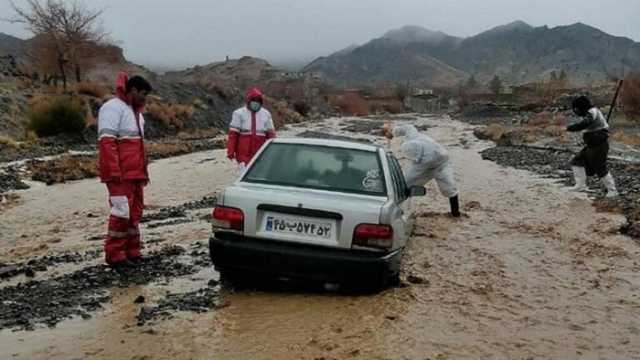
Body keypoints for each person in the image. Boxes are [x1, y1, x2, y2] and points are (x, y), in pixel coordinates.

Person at [98, 73, 152, 268]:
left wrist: (144, 173)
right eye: (143, 94)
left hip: (135, 174)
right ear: (133, 90)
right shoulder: (112, 108)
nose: (145, 98)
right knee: (121, 212)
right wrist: (113, 172)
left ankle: (132, 251)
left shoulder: (137, 113)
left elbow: (139, 146)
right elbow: (107, 142)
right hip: (120, 174)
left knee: (135, 212)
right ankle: (115, 255)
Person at [384, 124, 460, 217]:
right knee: (406, 185)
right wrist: (393, 132)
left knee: (449, 188)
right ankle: (400, 207)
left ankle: (455, 214)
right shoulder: (412, 137)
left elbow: (412, 175)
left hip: (442, 165)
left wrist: (402, 183)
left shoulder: (423, 162)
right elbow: (408, 127)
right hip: (431, 163)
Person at [567, 96, 618, 198]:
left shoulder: (592, 112)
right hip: (591, 145)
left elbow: (586, 123)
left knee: (600, 166)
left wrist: (572, 127)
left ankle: (612, 190)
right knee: (577, 161)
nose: (575, 111)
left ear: (581, 107)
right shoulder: (589, 112)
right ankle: (581, 185)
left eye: (576, 109)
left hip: (600, 145)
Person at [227, 87, 276, 172]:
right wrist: (230, 151)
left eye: (258, 101)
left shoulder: (266, 114)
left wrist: (275, 151)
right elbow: (233, 135)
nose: (256, 103)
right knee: (244, 175)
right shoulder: (239, 113)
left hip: (260, 153)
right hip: (243, 154)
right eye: (254, 100)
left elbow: (271, 135)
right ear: (249, 100)